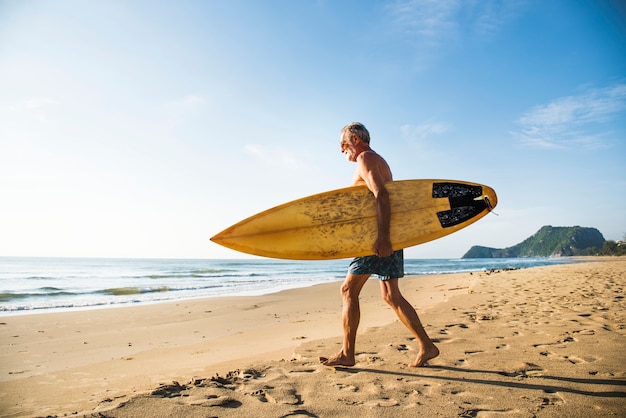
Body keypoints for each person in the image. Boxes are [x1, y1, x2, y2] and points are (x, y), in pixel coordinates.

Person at [319, 122, 439, 368]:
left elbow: (381, 195)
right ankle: (427, 346)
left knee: (348, 291)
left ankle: (347, 353)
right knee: (390, 295)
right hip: (390, 235)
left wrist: (382, 237)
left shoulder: (366, 158)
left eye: (343, 146)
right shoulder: (378, 160)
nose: (343, 151)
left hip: (376, 238)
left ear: (354, 139)